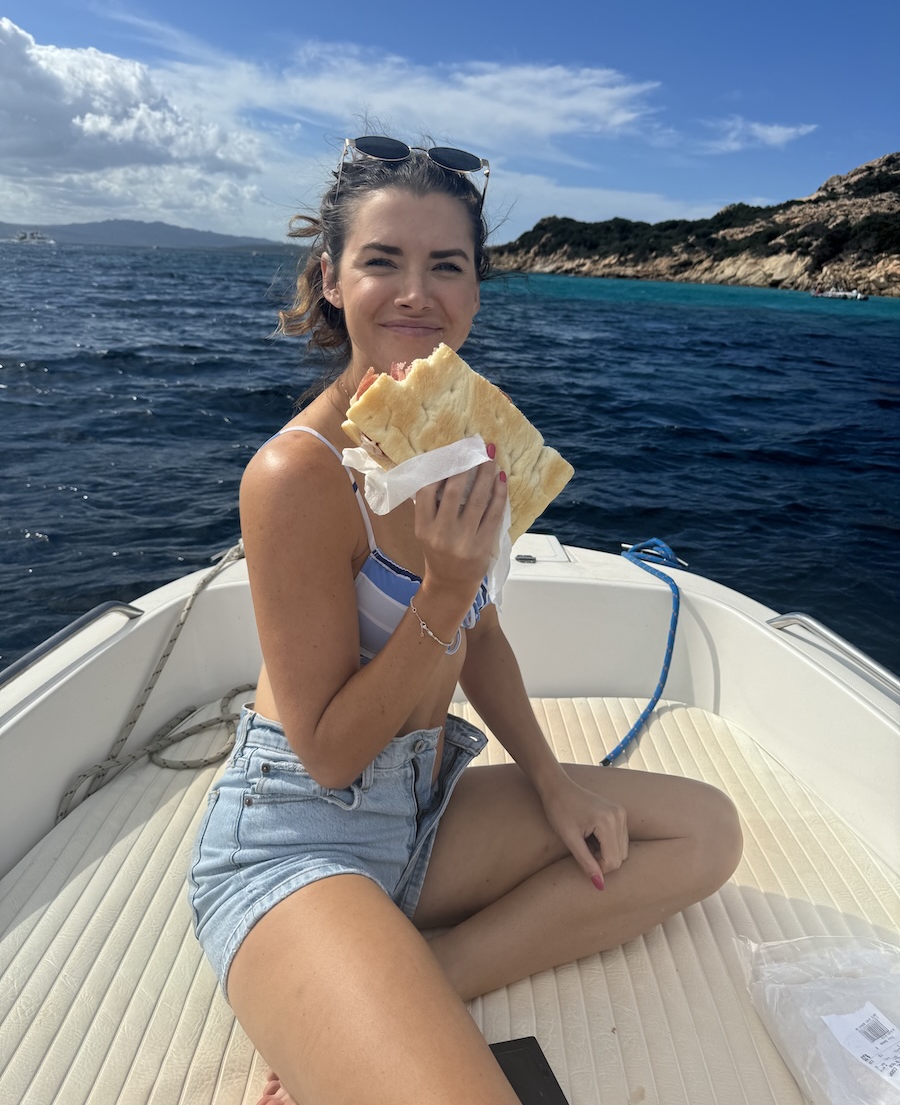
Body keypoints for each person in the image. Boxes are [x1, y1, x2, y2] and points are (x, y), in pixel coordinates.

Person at [188, 135, 743, 1105]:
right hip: (301, 833)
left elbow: (478, 634)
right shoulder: (295, 477)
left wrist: (551, 783)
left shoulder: (458, 436)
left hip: (425, 809)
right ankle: (345, 986)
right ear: (330, 280)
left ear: (477, 291)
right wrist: (442, 588)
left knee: (706, 833)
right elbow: (327, 754)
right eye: (381, 261)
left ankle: (424, 979)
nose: (416, 292)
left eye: (446, 265)